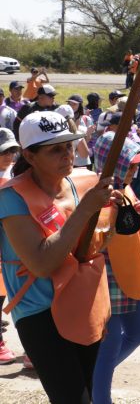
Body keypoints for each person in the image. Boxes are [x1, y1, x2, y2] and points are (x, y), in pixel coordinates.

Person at [0, 111, 121, 402]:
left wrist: (118, 220)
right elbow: (42, 263)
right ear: (30, 156)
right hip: (40, 313)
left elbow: (90, 247)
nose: (67, 154)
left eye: (68, 145)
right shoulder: (10, 197)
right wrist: (86, 209)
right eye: (55, 149)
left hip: (82, 301)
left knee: (87, 394)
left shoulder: (79, 183)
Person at [92, 141, 140, 404]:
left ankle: (95, 376)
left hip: (130, 272)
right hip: (107, 278)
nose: (134, 171)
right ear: (113, 164)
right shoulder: (96, 193)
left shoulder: (125, 190)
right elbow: (93, 237)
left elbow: (136, 227)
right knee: (110, 344)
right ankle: (99, 392)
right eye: (129, 165)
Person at [0, 128, 20, 364]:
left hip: (14, 248)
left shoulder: (16, 173)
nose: (9, 156)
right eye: (4, 151)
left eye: (13, 150)